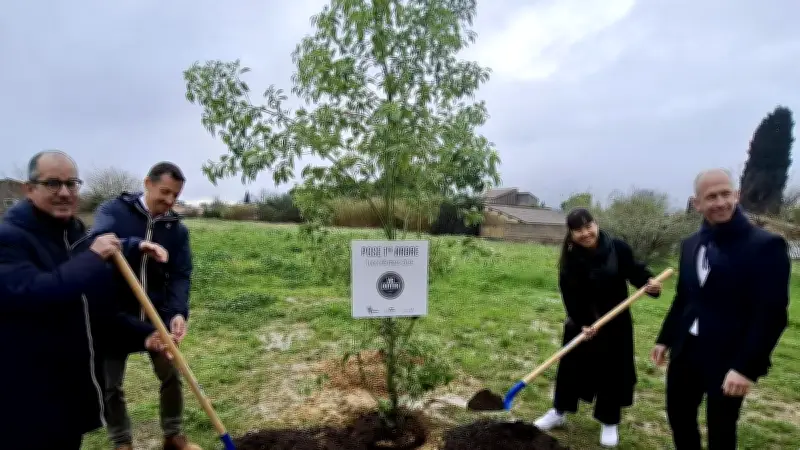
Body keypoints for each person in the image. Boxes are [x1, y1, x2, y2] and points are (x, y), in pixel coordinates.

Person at [0, 151, 171, 450]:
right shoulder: (9, 238)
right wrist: (94, 257)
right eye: (52, 183)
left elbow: (96, 308)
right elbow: (37, 294)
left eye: (71, 183)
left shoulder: (74, 233)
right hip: (26, 395)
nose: (64, 192)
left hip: (67, 391)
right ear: (29, 189)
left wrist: (144, 335)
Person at [651, 168, 790, 449]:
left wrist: (745, 368)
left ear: (737, 195)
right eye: (711, 197)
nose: (720, 202)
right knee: (679, 417)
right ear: (697, 203)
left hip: (729, 356)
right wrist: (665, 338)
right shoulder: (690, 245)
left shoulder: (766, 246)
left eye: (726, 194)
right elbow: (684, 298)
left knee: (721, 430)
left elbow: (771, 315)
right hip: (686, 351)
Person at [92, 161, 199, 450]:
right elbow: (97, 242)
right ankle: (122, 442)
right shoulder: (113, 211)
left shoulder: (176, 230)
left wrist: (177, 312)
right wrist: (135, 244)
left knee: (172, 375)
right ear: (148, 183)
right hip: (114, 317)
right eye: (165, 191)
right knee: (111, 385)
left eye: (175, 195)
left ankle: (173, 436)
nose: (170, 200)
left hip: (156, 317)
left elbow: (180, 274)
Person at [534, 208, 662, 448]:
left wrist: (649, 283)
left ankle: (609, 421)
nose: (585, 233)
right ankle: (559, 412)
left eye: (588, 226)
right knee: (570, 368)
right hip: (582, 322)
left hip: (615, 323)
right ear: (571, 233)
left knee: (612, 372)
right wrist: (582, 321)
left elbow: (635, 271)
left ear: (596, 224)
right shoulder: (570, 256)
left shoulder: (617, 248)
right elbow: (569, 293)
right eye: (578, 230)